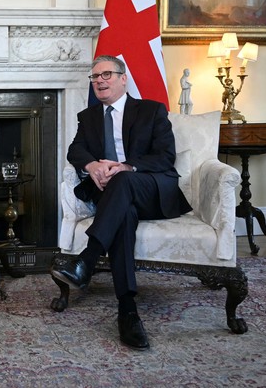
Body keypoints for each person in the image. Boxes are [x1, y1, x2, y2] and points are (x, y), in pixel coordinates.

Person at [51, 55, 191, 350]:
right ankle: (127, 310)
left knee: (123, 179)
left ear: (123, 78)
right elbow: (76, 151)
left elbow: (165, 157)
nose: (99, 81)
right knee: (123, 214)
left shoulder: (151, 111)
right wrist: (92, 167)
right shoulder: (88, 117)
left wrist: (126, 167)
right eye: (94, 77)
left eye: (106, 75)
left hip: (150, 189)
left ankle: (87, 260)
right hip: (116, 197)